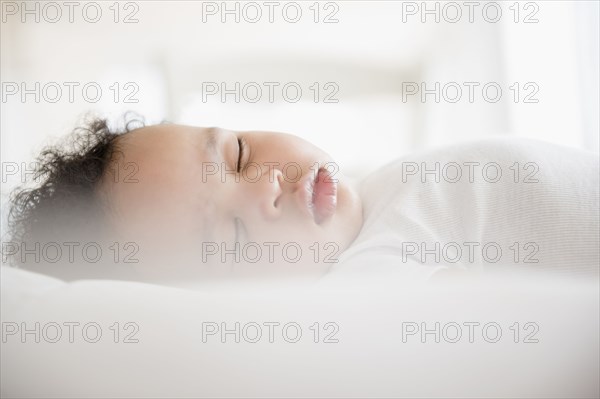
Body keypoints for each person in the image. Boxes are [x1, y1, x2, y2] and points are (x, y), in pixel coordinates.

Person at [5, 117, 599, 284]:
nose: (265, 185)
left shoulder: (371, 194)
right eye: (231, 240)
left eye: (236, 154)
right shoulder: (375, 273)